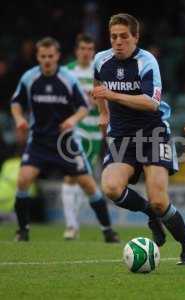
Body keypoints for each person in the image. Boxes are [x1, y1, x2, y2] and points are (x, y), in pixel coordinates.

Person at [92, 13, 185, 265]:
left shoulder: (146, 61)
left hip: (152, 134)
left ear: (135, 37)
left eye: (123, 37)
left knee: (160, 201)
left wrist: (112, 96)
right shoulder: (101, 60)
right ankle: (149, 215)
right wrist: (103, 113)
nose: (118, 42)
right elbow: (98, 85)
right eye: (113, 37)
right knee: (110, 187)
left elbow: (151, 103)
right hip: (121, 136)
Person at [10, 37, 119, 243]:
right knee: (23, 179)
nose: (47, 60)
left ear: (57, 56)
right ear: (38, 57)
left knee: (88, 184)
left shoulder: (68, 78)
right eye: (43, 57)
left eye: (51, 56)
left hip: (66, 142)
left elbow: (83, 106)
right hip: (39, 142)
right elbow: (16, 102)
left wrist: (71, 120)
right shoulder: (29, 78)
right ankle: (22, 230)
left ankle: (108, 230)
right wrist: (18, 119)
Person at [60, 34, 102, 240]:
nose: (86, 52)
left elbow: (110, 100)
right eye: (83, 48)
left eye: (90, 49)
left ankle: (73, 224)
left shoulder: (100, 70)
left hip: (95, 134)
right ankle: (71, 226)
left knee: (84, 180)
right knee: (72, 175)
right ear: (77, 51)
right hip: (75, 131)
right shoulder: (67, 72)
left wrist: (99, 100)